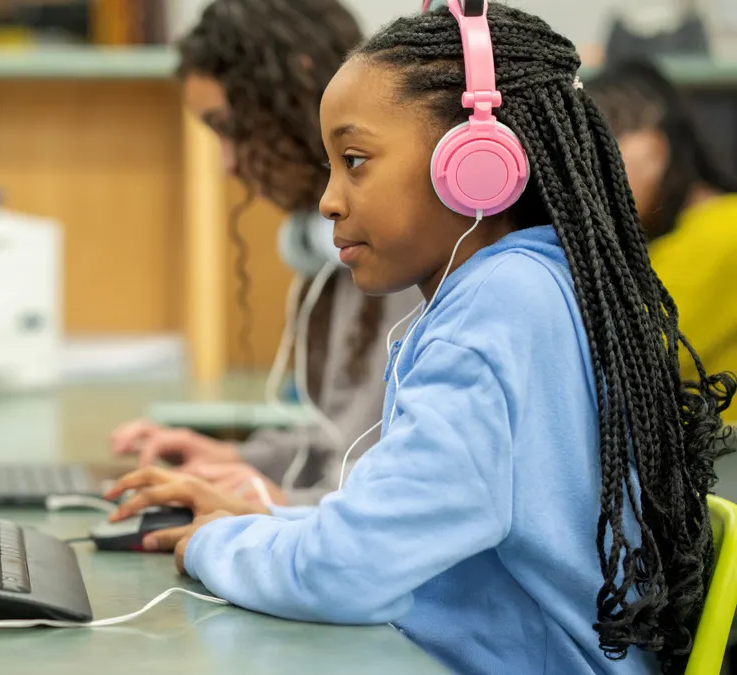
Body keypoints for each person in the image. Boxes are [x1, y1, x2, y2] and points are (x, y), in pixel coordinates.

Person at [104, 2, 735, 674]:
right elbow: (397, 531)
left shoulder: (496, 311)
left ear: (476, 164)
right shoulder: (532, 283)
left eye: (354, 160)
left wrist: (212, 543)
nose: (329, 200)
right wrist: (260, 523)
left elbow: (351, 567)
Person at [108, 0, 423, 506]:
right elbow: (343, 441)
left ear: (297, 91)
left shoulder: (409, 255)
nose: (228, 164)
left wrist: (266, 506)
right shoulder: (335, 258)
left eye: (229, 128)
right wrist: (243, 463)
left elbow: (402, 503)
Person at [586, 59, 737, 423]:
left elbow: (627, 365)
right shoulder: (690, 235)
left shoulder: (723, 231)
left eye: (596, 155)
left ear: (653, 149)